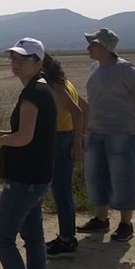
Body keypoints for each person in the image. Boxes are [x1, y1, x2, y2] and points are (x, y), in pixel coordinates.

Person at [0, 38, 57, 269]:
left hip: (25, 177)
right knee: (33, 237)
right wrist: (6, 133)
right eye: (13, 58)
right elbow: (34, 132)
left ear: (38, 62)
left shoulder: (32, 94)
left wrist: (2, 141)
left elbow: (25, 137)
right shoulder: (42, 89)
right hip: (39, 175)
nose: (16, 63)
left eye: (23, 59)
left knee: (1, 238)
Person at [77, 28, 135, 242]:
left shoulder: (126, 70)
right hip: (95, 130)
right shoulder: (95, 68)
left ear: (106, 47)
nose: (89, 47)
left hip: (121, 132)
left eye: (93, 44)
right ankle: (101, 219)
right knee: (95, 175)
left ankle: (125, 223)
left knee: (121, 176)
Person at [40, 53, 86, 255]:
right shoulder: (65, 83)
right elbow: (86, 108)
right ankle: (66, 236)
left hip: (59, 140)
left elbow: (78, 112)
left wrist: (78, 142)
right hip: (62, 138)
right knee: (62, 191)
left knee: (61, 192)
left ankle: (67, 239)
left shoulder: (55, 87)